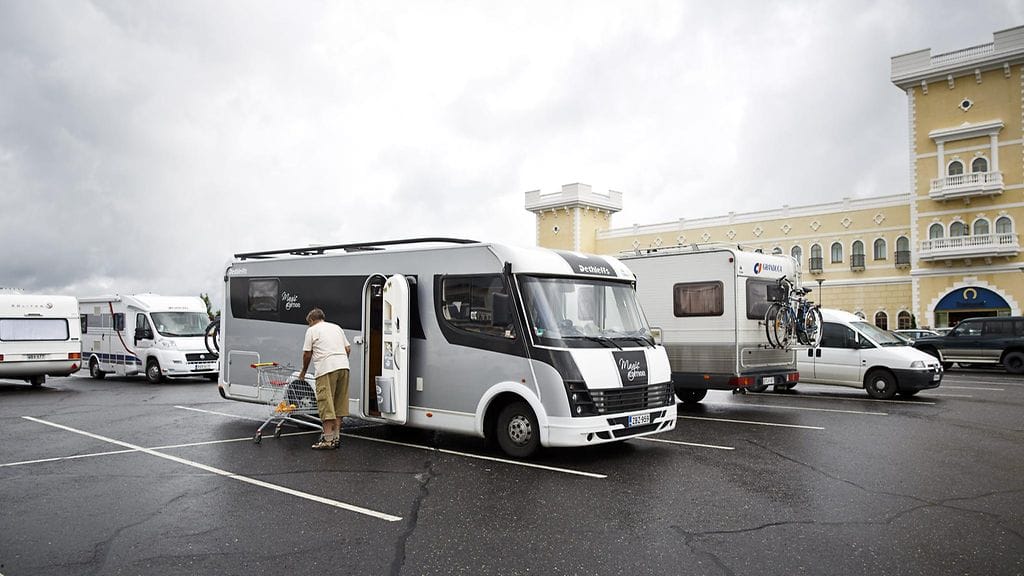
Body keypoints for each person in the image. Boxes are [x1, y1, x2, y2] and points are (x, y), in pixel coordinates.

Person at [298, 308, 351, 450]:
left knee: (325, 403)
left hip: (326, 368)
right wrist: (341, 361)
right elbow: (348, 349)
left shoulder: (312, 330)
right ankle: (336, 437)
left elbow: (307, 354)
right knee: (339, 403)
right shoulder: (336, 327)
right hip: (344, 367)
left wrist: (303, 371)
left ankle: (328, 439)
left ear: (311, 320)